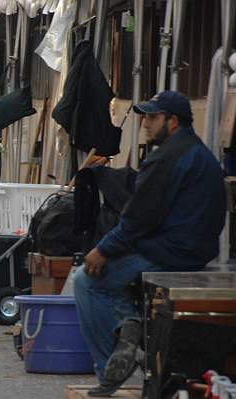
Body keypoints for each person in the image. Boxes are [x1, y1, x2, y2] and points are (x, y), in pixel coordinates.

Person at [73, 91, 226, 396]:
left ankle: (110, 370)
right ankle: (129, 325)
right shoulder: (198, 152)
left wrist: (102, 250)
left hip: (168, 254)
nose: (144, 124)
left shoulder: (167, 158)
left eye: (152, 117)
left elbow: (138, 219)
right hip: (192, 251)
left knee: (86, 280)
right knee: (112, 276)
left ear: (172, 121)